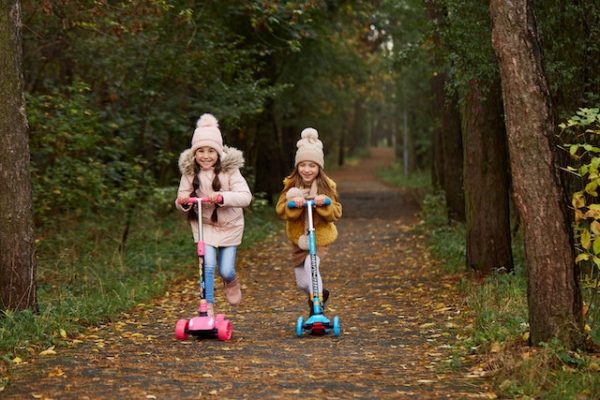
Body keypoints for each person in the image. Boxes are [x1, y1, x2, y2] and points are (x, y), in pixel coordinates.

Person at [175, 113, 252, 317]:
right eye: (200, 151)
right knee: (207, 265)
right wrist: (183, 202)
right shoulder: (189, 172)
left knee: (225, 269)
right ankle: (207, 306)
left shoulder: (230, 171)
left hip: (230, 225)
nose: (206, 156)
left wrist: (222, 197)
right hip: (205, 225)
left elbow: (245, 197)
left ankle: (230, 280)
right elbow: (182, 196)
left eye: (211, 151)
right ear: (194, 153)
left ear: (218, 152)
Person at [275, 127, 342, 314]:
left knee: (310, 265)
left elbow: (336, 212)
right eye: (303, 165)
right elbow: (280, 209)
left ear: (319, 167)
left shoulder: (326, 186)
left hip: (319, 237)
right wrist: (292, 205)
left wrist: (324, 203)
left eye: (312, 165)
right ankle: (320, 293)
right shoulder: (290, 185)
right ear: (297, 166)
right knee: (303, 282)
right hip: (299, 240)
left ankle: (316, 309)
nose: (307, 170)